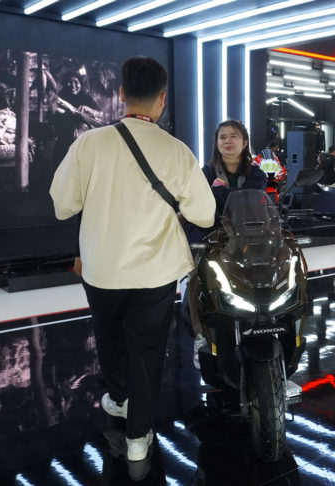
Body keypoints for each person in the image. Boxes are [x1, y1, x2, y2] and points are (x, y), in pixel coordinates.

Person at [49, 56, 215, 462]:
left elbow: (62, 205)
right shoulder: (177, 151)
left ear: (122, 93)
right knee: (147, 350)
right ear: (162, 99)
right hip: (155, 270)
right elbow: (205, 215)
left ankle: (119, 399)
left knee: (109, 337)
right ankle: (139, 437)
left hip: (102, 268)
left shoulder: (89, 143)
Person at [185, 119, 266, 367]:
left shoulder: (257, 174)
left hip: (248, 237)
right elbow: (200, 204)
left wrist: (218, 191)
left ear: (244, 142)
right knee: (194, 281)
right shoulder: (206, 173)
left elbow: (247, 204)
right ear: (216, 142)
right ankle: (200, 335)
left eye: (233, 136)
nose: (227, 141)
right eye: (222, 137)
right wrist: (223, 195)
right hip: (209, 236)